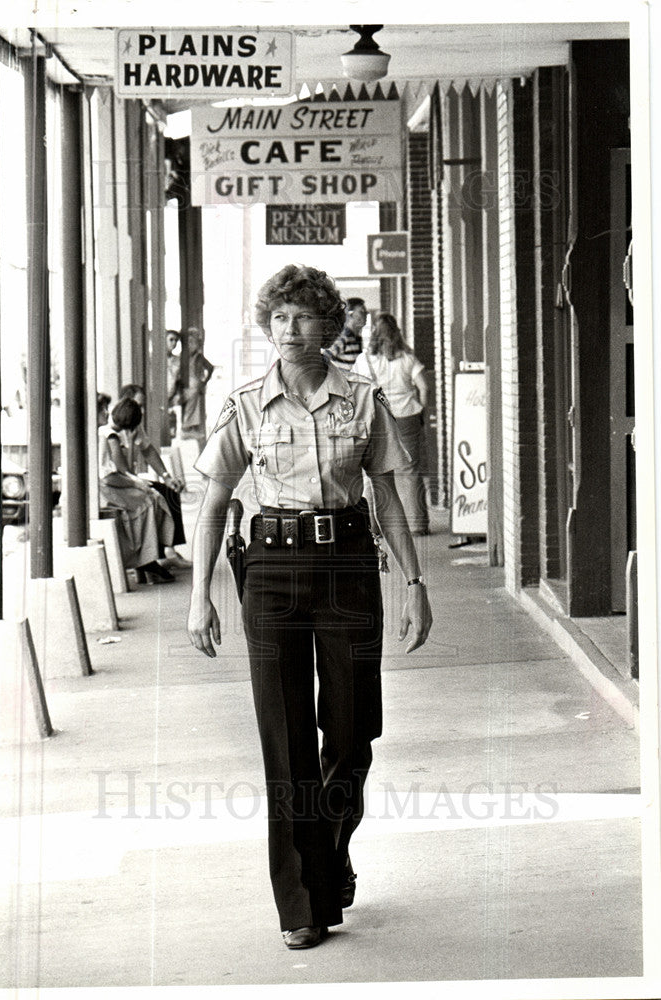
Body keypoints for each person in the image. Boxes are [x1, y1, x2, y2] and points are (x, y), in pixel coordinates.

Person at [187, 265, 432, 950]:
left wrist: (415, 585)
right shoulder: (242, 406)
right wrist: (200, 595)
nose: (289, 331)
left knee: (352, 733)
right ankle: (301, 904)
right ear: (266, 327)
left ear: (328, 325)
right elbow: (213, 506)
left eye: (302, 318)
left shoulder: (361, 399)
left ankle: (327, 853)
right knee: (286, 741)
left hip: (348, 566)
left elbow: (386, 497)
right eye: (278, 319)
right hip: (270, 572)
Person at [353, 312, 431, 535]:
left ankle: (372, 525)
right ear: (396, 333)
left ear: (374, 335)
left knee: (374, 471)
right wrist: (421, 411)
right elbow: (424, 387)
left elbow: (357, 390)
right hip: (407, 416)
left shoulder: (364, 360)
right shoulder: (408, 358)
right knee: (409, 470)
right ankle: (417, 525)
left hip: (376, 418)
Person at [97, 395, 175, 584]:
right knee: (150, 500)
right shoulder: (109, 435)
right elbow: (116, 471)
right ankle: (145, 559)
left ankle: (150, 556)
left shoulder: (114, 432)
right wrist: (138, 483)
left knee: (157, 495)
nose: (106, 412)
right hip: (108, 487)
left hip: (114, 483)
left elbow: (142, 454)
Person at [119, 383, 190, 568]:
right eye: (139, 405)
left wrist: (167, 476)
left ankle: (170, 550)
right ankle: (153, 557)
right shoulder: (116, 427)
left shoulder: (135, 425)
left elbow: (148, 450)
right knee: (156, 497)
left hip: (131, 480)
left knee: (169, 491)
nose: (141, 410)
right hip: (123, 483)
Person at [180, 326, 215, 451]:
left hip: (194, 383)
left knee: (194, 400)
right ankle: (187, 426)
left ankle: (189, 426)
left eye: (193, 343)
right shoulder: (183, 357)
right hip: (185, 384)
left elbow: (210, 368)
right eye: (188, 343)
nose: (190, 346)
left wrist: (204, 382)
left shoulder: (199, 357)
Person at [322, 297, 366, 370]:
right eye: (361, 312)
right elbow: (324, 359)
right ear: (350, 314)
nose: (365, 315)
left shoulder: (356, 338)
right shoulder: (342, 337)